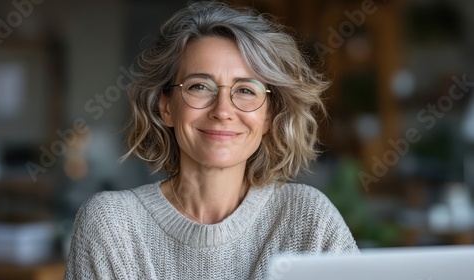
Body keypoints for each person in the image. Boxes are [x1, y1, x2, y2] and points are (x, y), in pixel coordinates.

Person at [65, 1, 359, 279]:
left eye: (245, 90)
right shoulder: (111, 224)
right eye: (200, 86)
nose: (222, 111)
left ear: (269, 115)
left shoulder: (308, 218)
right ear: (166, 106)